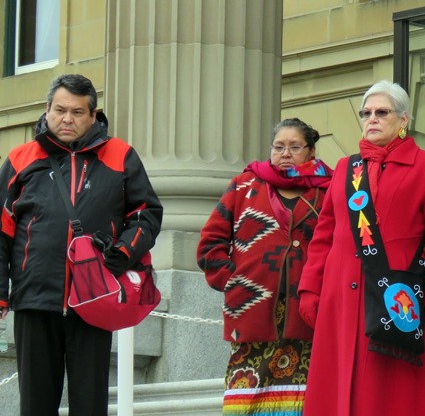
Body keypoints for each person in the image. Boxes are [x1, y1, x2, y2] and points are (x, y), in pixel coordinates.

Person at [0, 73, 163, 415]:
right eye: (59, 110)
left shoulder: (121, 154)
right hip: (34, 298)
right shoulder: (20, 158)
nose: (67, 119)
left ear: (93, 115)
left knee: (90, 406)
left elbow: (147, 213)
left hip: (95, 299)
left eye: (77, 112)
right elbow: (2, 231)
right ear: (46, 110)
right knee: (35, 405)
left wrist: (123, 251)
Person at [297, 80, 425, 415]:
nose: (372, 119)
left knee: (389, 396)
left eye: (382, 112)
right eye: (366, 113)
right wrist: (310, 289)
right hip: (341, 299)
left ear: (403, 120)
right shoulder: (345, 168)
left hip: (396, 301)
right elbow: (323, 236)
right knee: (337, 390)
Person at [197, 117, 333, 415]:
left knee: (305, 398)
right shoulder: (244, 185)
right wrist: (232, 281)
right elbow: (210, 242)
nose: (285, 153)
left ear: (311, 151)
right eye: (279, 146)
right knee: (247, 400)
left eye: (295, 146)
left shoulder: (330, 190)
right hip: (252, 311)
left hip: (309, 313)